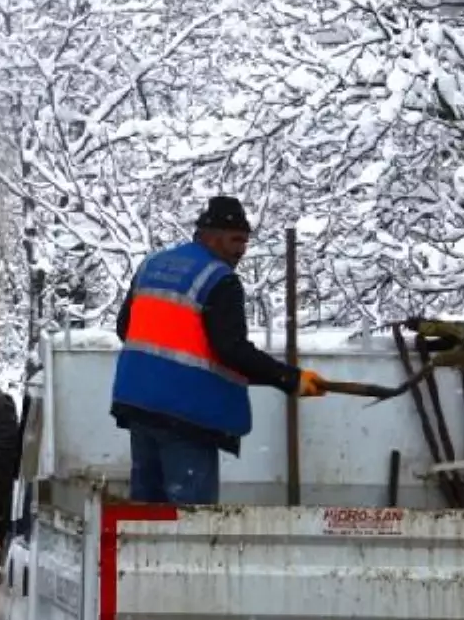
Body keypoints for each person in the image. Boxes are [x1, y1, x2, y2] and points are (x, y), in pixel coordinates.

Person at [110, 194, 327, 506]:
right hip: (185, 416)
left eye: (245, 242)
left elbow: (125, 329)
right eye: (235, 240)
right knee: (191, 519)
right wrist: (290, 379)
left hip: (138, 405)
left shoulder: (152, 265)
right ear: (209, 236)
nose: (241, 250)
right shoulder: (219, 279)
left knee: (146, 516)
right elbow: (231, 350)